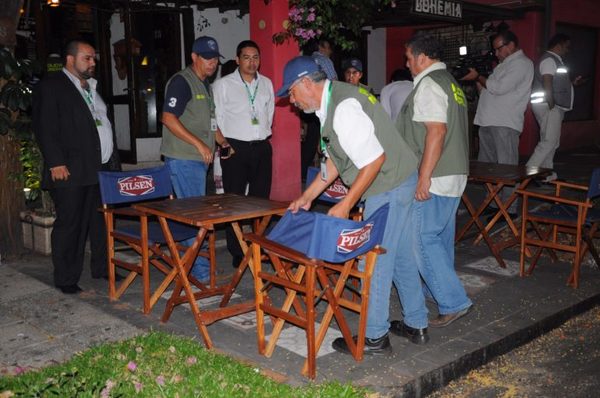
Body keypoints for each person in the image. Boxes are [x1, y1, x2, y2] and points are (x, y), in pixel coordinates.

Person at [277, 56, 428, 355]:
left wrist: (346, 204)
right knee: (399, 257)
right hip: (400, 179)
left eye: (292, 92)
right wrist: (308, 197)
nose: (291, 100)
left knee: (372, 260)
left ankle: (373, 337)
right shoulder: (332, 104)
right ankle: (416, 323)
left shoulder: (343, 107)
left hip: (389, 184)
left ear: (307, 83)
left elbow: (374, 160)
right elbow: (335, 160)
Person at [396, 32, 473, 328]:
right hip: (454, 171)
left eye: (408, 58)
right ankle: (438, 291)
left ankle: (453, 301)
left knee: (421, 240)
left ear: (422, 58)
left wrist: (423, 177)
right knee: (439, 239)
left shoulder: (429, 84)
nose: (407, 63)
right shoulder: (451, 83)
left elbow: (436, 132)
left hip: (437, 174)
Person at [33, 39, 120, 294]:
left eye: (94, 58)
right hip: (70, 169)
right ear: (70, 59)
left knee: (101, 223)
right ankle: (66, 277)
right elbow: (44, 127)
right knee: (71, 225)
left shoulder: (92, 87)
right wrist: (55, 161)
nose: (93, 63)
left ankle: (102, 268)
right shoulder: (52, 86)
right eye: (88, 58)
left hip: (100, 169)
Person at [160, 36, 229, 281]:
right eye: (207, 58)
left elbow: (209, 122)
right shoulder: (182, 81)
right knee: (194, 217)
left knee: (196, 215)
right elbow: (168, 118)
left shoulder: (205, 85)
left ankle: (196, 266)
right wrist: (200, 144)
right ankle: (198, 272)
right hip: (184, 159)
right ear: (194, 57)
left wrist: (222, 141)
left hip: (199, 161)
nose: (212, 63)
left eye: (215, 59)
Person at [213, 40, 274, 266]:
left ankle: (259, 246)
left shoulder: (266, 83)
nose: (252, 62)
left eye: (256, 57)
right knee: (234, 200)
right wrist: (224, 145)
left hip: (261, 147)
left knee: (261, 200)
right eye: (247, 57)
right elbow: (215, 118)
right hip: (235, 147)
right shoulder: (223, 85)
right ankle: (237, 250)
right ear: (237, 60)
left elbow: (270, 113)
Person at [462, 30, 533, 213]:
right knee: (488, 169)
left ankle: (509, 208)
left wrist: (478, 76)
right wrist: (478, 79)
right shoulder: (503, 65)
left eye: (498, 49)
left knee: (506, 169)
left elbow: (499, 88)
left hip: (505, 122)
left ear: (510, 45)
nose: (496, 53)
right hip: (488, 120)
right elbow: (487, 91)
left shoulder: (522, 64)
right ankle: (494, 203)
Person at [527, 33, 582, 182]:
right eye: (567, 46)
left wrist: (572, 84)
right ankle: (528, 172)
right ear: (559, 45)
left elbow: (555, 82)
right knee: (549, 141)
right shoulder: (550, 60)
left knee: (551, 141)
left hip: (550, 105)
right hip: (549, 106)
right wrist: (551, 104)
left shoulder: (553, 60)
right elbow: (547, 81)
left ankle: (546, 174)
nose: (568, 49)